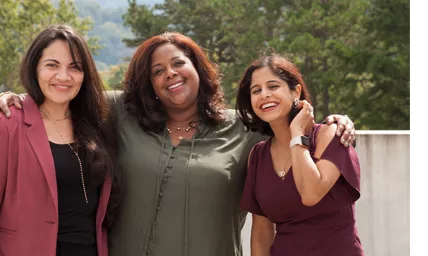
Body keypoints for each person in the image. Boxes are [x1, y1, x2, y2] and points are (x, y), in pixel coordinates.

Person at [0, 31, 355, 256]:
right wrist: (15, 98)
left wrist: (337, 121)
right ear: (148, 84)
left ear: (199, 70)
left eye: (178, 63)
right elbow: (66, 90)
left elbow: (289, 119)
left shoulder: (245, 130)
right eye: (157, 71)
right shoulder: (121, 114)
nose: (169, 73)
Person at [0, 25, 120, 256]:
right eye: (52, 65)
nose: (64, 76)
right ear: (34, 67)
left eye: (75, 67)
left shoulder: (97, 123)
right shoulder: (8, 123)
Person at [236, 54, 364, 256]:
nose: (264, 95)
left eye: (273, 86)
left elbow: (311, 193)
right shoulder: (258, 156)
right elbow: (261, 232)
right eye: (256, 90)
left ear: (296, 92)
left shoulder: (329, 135)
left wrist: (297, 135)